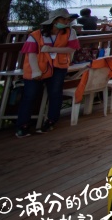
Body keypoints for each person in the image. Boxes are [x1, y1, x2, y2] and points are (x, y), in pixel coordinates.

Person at [15, 8, 80, 137]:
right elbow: (31, 54)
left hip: (58, 67)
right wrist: (35, 71)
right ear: (54, 21)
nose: (66, 22)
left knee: (55, 94)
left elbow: (72, 49)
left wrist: (52, 49)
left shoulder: (69, 32)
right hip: (38, 68)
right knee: (29, 96)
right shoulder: (35, 35)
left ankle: (51, 121)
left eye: (67, 19)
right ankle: (22, 125)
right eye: (63, 19)